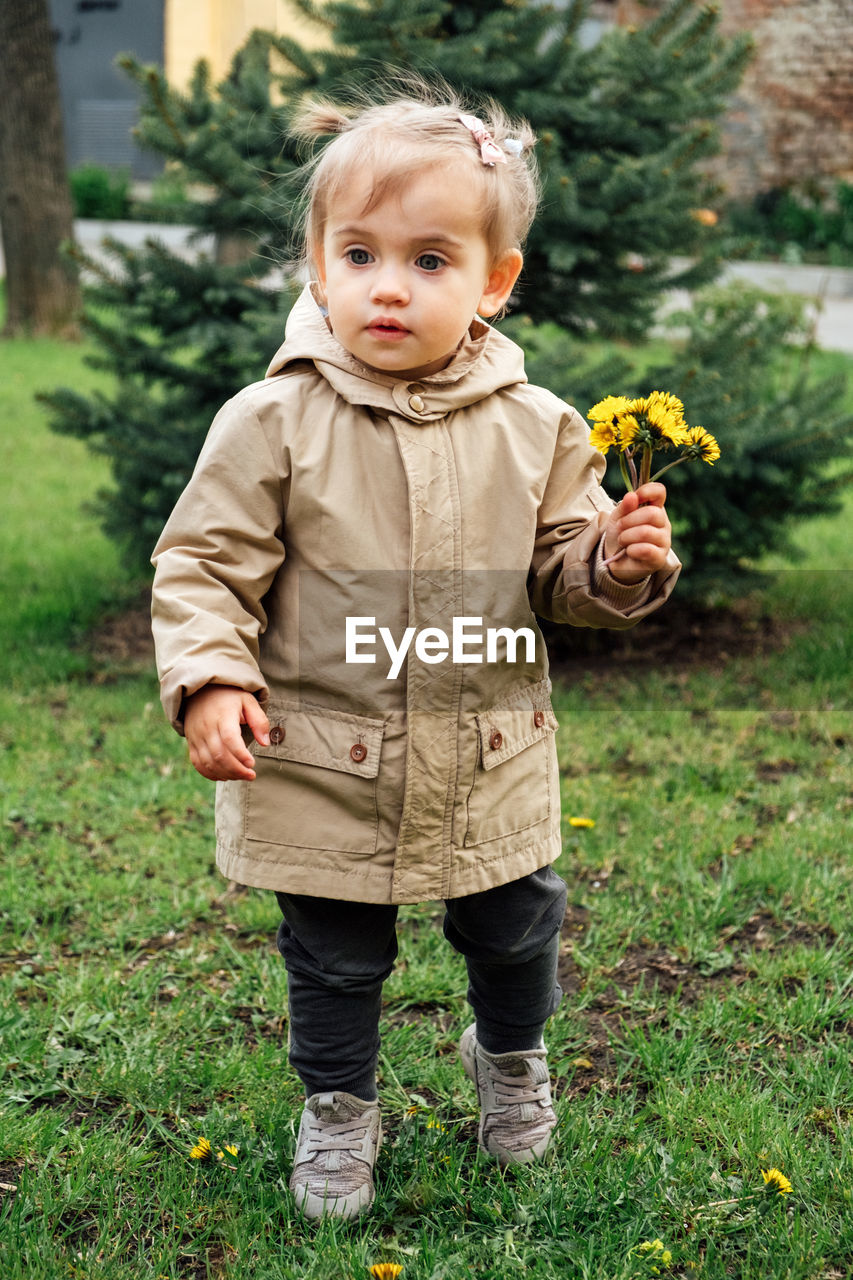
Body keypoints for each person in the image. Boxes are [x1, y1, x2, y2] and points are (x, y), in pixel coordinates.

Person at [150, 83, 680, 1221]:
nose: (387, 284)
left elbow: (559, 574)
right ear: (317, 260)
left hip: (487, 750)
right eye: (360, 253)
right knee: (334, 952)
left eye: (430, 259)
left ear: (495, 279)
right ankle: (338, 1106)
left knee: (519, 926)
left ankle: (511, 1065)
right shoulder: (273, 419)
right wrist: (210, 676)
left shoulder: (538, 423)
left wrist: (615, 565)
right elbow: (202, 565)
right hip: (327, 757)